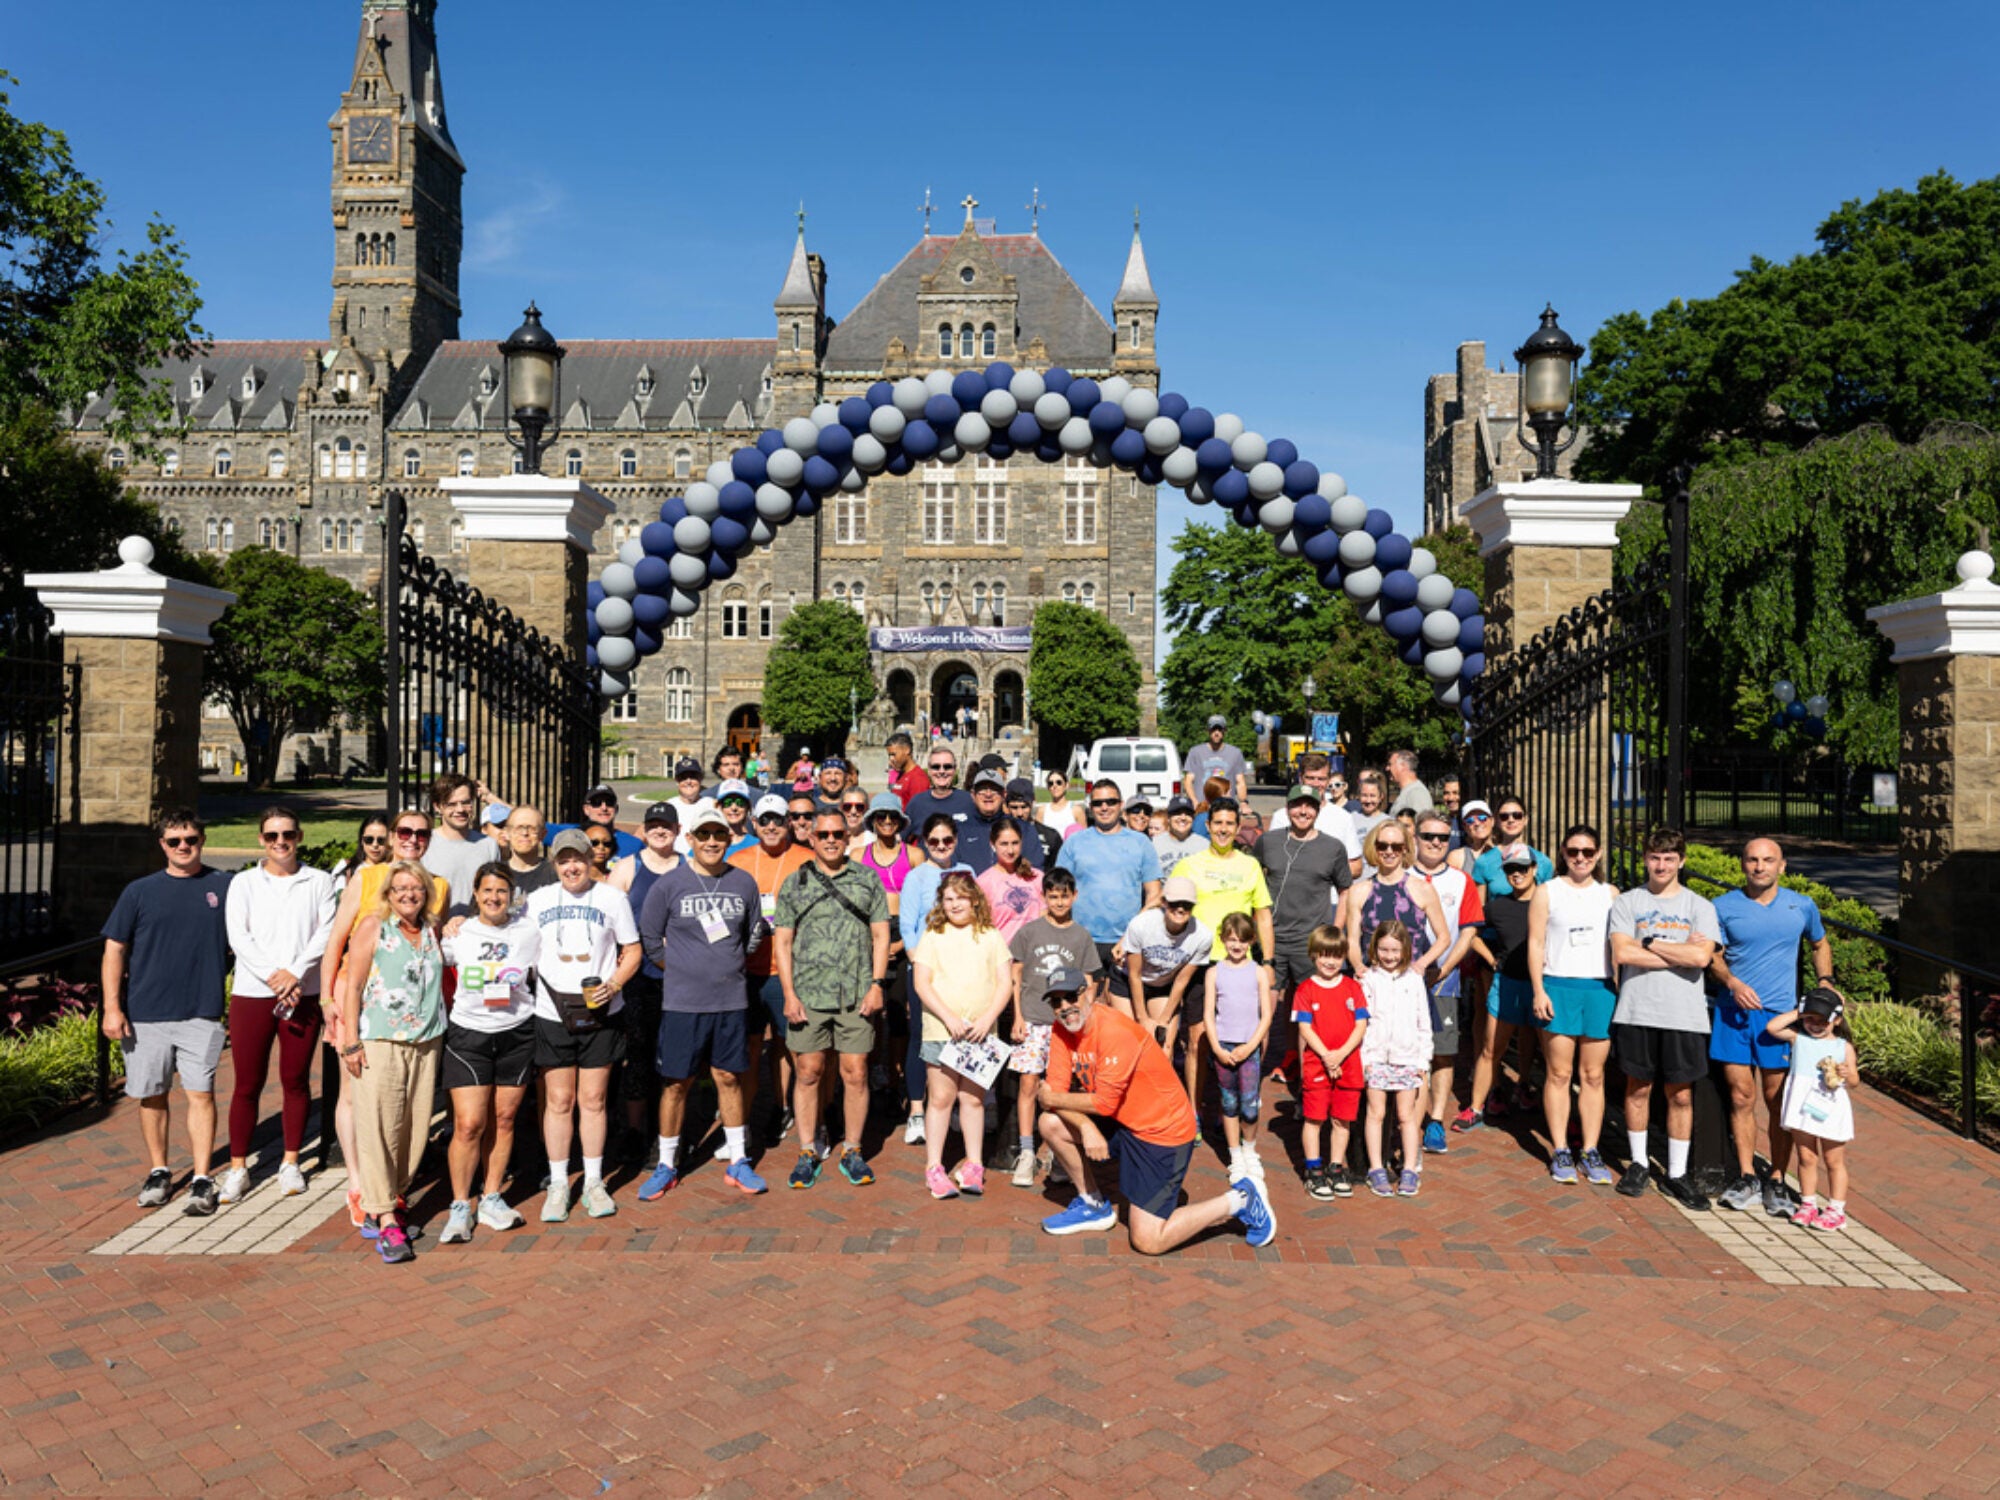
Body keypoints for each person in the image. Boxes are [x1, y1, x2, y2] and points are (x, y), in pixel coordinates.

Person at [1035, 969, 1277, 1251]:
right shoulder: (1061, 1030)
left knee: (1148, 1240)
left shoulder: (1114, 1030)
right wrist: (1085, 1126)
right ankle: (1092, 1204)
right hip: (1123, 1120)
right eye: (1056, 1002)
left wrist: (1053, 1099)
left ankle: (1242, 1200)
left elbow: (1097, 1102)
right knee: (1049, 1122)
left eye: (1069, 997)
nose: (1065, 1007)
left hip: (1164, 1132)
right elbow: (1058, 1097)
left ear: (1087, 993)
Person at [102, 809, 233, 1216]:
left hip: (201, 1011)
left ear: (202, 840)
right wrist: (111, 1007)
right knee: (152, 1095)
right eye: (174, 841)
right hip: (147, 1013)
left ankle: (201, 1177)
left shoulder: (223, 886)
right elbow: (114, 950)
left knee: (200, 1094)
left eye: (190, 839)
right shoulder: (139, 892)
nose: (183, 847)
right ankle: (159, 1171)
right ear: (162, 845)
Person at [320, 811, 448, 1226]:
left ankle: (388, 1190)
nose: (412, 838)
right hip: (370, 1019)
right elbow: (343, 955)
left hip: (419, 1028)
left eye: (421, 832)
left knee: (407, 1120)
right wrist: (332, 1007)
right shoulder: (370, 895)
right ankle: (368, 1195)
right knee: (366, 1109)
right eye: (405, 831)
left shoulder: (434, 908)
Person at [637, 803, 769, 1199]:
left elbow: (753, 935)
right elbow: (648, 939)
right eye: (704, 835)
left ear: (729, 838)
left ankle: (739, 1161)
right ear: (689, 839)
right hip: (682, 1002)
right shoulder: (669, 885)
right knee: (677, 1083)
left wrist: (723, 964)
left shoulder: (743, 883)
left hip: (730, 1000)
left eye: (719, 835)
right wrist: (680, 968)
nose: (712, 841)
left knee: (729, 1077)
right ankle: (666, 1164)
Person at [1708, 838, 1834, 1218]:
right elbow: (1712, 956)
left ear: (1782, 866)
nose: (1759, 866)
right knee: (1741, 1096)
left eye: (1767, 860)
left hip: (1779, 1019)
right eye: (1752, 860)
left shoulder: (1801, 905)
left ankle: (1777, 1177)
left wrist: (1825, 980)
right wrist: (1731, 982)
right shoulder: (1722, 906)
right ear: (1743, 864)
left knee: (1777, 1099)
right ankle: (1747, 1175)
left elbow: (1820, 942)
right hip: (1733, 1013)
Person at [218, 806, 337, 1204]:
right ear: (261, 840)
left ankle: (290, 1162)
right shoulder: (245, 883)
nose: (280, 842)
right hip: (254, 993)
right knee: (247, 1084)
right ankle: (238, 1168)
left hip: (301, 994)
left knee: (296, 1079)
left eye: (287, 834)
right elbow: (239, 936)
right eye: (272, 836)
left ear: (299, 836)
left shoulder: (318, 881)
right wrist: (274, 975)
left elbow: (326, 933)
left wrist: (296, 974)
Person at [527, 829, 642, 1222]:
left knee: (593, 1100)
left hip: (600, 1011)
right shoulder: (538, 900)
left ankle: (593, 1180)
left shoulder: (612, 897)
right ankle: (559, 1182)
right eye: (563, 860)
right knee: (559, 1101)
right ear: (554, 863)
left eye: (577, 859)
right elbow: (520, 945)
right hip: (551, 1009)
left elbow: (633, 950)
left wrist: (614, 985)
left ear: (591, 859)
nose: (571, 866)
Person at [774, 810, 890, 1190]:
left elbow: (880, 935)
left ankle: (852, 1149)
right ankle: (808, 1149)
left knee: (855, 1072)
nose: (830, 839)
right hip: (808, 992)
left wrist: (876, 984)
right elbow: (784, 942)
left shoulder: (866, 878)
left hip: (855, 992)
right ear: (811, 838)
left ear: (847, 836)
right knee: (808, 1071)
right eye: (823, 833)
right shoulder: (796, 882)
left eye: (838, 833)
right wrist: (789, 994)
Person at [336, 860, 445, 1263]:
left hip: (426, 1041)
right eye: (399, 888)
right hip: (380, 1039)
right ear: (388, 893)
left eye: (415, 888)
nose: (407, 895)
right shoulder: (373, 926)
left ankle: (391, 1199)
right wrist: (350, 1041)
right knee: (378, 1125)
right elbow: (353, 984)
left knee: (414, 1129)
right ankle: (383, 1218)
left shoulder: (431, 929)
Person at [1609, 827, 1722, 1209]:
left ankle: (1676, 1172)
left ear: (1681, 861)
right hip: (1638, 1008)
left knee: (1681, 1093)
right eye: (1655, 857)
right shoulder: (1627, 902)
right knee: (1637, 1088)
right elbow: (1622, 954)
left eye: (1669, 858)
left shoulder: (1699, 907)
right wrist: (1678, 952)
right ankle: (1639, 1163)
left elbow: (1702, 959)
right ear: (1645, 859)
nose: (1661, 865)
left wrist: (1648, 942)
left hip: (1684, 1015)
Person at [437, 862, 538, 1240]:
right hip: (470, 1036)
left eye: (502, 892)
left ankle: (492, 1195)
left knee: (505, 1118)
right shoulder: (460, 933)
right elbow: (427, 960)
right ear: (476, 895)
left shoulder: (529, 931)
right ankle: (461, 1205)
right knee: (468, 1124)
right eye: (488, 891)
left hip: (517, 1032)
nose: (495, 898)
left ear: (511, 897)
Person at [1528, 824, 1620, 1187]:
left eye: (1587, 852)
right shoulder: (1546, 891)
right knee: (1559, 1074)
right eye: (1572, 852)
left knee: (1594, 1075)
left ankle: (1591, 1148)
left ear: (1597, 854)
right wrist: (1539, 989)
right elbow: (1535, 943)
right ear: (1563, 854)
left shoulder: (1611, 893)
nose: (1580, 858)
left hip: (1599, 989)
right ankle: (1562, 1147)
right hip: (1558, 986)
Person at [910, 872, 1013, 1198]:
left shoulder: (990, 935)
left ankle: (973, 1164)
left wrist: (987, 1018)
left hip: (980, 1034)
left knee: (972, 1099)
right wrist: (949, 1017)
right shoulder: (933, 935)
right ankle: (934, 1167)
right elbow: (922, 983)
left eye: (960, 898)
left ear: (974, 900)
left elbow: (1004, 982)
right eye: (948, 898)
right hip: (942, 1031)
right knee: (940, 1099)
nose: (954, 904)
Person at [1170, 798, 1275, 1114]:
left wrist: (1268, 962)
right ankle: (1195, 1110)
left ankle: (1239, 1104)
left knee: (1245, 1035)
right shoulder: (1189, 865)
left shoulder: (1249, 865)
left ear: (1238, 826)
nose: (1224, 829)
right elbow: (1171, 909)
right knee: (1198, 1040)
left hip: (1240, 964)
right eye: (1218, 823)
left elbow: (1263, 916)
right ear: (1208, 825)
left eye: (1230, 823)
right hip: (1201, 963)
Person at [1005, 867, 1102, 1188]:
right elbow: (1016, 976)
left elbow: (1090, 982)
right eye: (1053, 896)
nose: (1059, 902)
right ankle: (1027, 1152)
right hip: (1033, 1019)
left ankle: (1060, 1153)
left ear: (1074, 897)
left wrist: (1083, 1020)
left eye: (1064, 896)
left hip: (1066, 1026)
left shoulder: (1080, 936)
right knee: (1028, 1086)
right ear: (1044, 897)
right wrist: (1017, 1016)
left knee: (1064, 1090)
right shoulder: (1030, 932)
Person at [1256, 783, 1354, 1095]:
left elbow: (1346, 889)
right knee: (1263, 1015)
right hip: (1270, 943)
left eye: (1309, 806)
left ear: (1318, 808)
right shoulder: (1268, 842)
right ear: (1287, 808)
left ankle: (1307, 1086)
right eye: (1297, 805)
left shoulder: (1332, 847)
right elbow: (1252, 880)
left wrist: (1335, 931)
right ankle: (1251, 1087)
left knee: (1308, 1020)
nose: (1303, 811)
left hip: (1309, 945)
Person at [729, 793, 813, 1143]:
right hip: (745, 971)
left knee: (790, 1048)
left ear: (789, 823)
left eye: (779, 820)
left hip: (788, 972)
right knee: (748, 1047)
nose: (772, 826)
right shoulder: (739, 859)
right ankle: (742, 1121)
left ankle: (786, 1110)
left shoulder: (806, 860)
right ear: (754, 823)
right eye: (765, 820)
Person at [607, 802, 683, 1164]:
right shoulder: (627, 868)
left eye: (665, 824)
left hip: (681, 979)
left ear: (677, 828)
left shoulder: (689, 866)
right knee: (637, 1055)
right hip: (638, 978)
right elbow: (607, 922)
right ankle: (635, 1130)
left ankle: (667, 1132)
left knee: (674, 1057)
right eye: (653, 824)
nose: (659, 830)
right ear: (644, 829)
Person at [1409, 811, 1482, 1155]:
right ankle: (1406, 1117)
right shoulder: (1401, 877)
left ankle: (1435, 1120)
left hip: (1444, 980)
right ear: (1416, 839)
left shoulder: (1461, 881)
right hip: (1403, 982)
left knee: (1443, 1053)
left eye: (1442, 838)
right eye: (1428, 836)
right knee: (1406, 1053)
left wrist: (1445, 969)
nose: (1436, 843)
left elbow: (1469, 930)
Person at [898, 813, 969, 1145]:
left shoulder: (966, 874)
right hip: (926, 973)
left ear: (955, 839)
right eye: (934, 841)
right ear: (925, 842)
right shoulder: (917, 877)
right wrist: (920, 968)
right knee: (921, 1038)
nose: (941, 846)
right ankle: (916, 1110)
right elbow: (908, 928)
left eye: (947, 840)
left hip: (960, 974)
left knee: (958, 1036)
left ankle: (954, 1105)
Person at [1459, 850, 1540, 1131]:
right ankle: (1475, 1107)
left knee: (1543, 1048)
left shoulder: (1549, 900)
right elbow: (1471, 933)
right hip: (1507, 982)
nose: (1516, 874)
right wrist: (1492, 959)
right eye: (1510, 870)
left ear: (1534, 868)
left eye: (1522, 868)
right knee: (1492, 1047)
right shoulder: (1498, 906)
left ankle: (1526, 1086)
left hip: (1541, 984)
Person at [1765, 986, 1858, 1231]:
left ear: (1836, 1020)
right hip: (1802, 1106)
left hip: (1830, 1107)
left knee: (1833, 1159)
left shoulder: (1843, 1047)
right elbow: (1772, 1027)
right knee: (1806, 1156)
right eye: (1810, 1019)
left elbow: (1855, 1081)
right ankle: (1808, 1203)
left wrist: (1847, 1074)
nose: (1815, 1025)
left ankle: (1836, 1209)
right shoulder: (1799, 1038)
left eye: (1822, 1020)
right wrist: (1799, 1012)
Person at [1057, 780, 1164, 973]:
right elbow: (1058, 892)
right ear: (1090, 808)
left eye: (1111, 801)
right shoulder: (1074, 843)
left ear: (1121, 805)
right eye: (1098, 803)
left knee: (1122, 1002)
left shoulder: (1141, 843)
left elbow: (1154, 896)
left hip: (1127, 942)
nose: (1104, 807)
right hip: (1082, 940)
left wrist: (1133, 937)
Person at [1293, 927, 1368, 1200]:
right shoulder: (1305, 989)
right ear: (1314, 955)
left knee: (1342, 1119)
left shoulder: (1352, 987)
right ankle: (1314, 1169)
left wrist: (1340, 1054)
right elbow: (1305, 1027)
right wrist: (1326, 1055)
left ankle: (1336, 1167)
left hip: (1348, 1064)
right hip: (1317, 1064)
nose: (1330, 962)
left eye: (1336, 956)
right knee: (1314, 1118)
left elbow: (1361, 1024)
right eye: (1325, 955)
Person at [1359, 920, 1431, 1199]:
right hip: (1376, 1057)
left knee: (1406, 1116)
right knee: (1375, 1113)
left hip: (1407, 1058)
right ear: (1375, 949)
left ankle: (1410, 1168)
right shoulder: (1369, 979)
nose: (1389, 956)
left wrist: (1422, 1061)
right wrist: (1365, 1057)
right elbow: (1364, 1021)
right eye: (1384, 949)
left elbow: (1422, 1022)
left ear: (1405, 950)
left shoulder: (1414, 980)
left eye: (1395, 950)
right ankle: (1376, 1167)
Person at [1204, 913, 1275, 1180]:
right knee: (1229, 1102)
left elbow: (1266, 1015)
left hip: (1249, 1047)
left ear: (1251, 941)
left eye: (1242, 940)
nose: (1236, 945)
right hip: (1223, 1045)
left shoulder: (1258, 972)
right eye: (1232, 940)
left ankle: (1250, 1150)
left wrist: (1250, 1046)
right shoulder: (1214, 973)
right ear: (1222, 939)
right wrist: (1217, 1048)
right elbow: (1209, 1014)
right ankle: (1235, 1155)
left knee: (1249, 1104)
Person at [1116, 876, 1213, 1052]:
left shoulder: (1203, 936)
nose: (1181, 909)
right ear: (1164, 902)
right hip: (1127, 980)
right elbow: (1134, 975)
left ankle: (1160, 1079)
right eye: (1175, 903)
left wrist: (1163, 1019)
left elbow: (1182, 980)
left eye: (1188, 905)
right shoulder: (1142, 924)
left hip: (1163, 984)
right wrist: (1143, 1019)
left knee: (1164, 1044)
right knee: (1128, 1040)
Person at [1347, 822, 1449, 981]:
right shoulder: (1359, 891)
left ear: (1405, 848)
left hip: (1411, 980)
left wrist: (1422, 964)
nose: (1389, 851)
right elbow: (1352, 940)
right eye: (1382, 845)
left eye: (1396, 846)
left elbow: (1444, 937)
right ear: (1374, 847)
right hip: (1373, 980)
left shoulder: (1423, 889)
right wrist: (1359, 966)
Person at [424, 772, 499, 909]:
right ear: (437, 807)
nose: (460, 810)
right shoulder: (425, 844)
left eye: (466, 803)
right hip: (437, 926)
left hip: (478, 927)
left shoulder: (489, 845)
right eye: (451, 804)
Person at [957, 768, 1043, 874]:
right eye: (982, 789)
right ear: (973, 795)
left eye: (994, 789)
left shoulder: (1024, 829)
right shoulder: (960, 830)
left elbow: (1035, 870)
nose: (988, 794)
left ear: (1004, 794)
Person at [975, 815, 1045, 943]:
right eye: (1004, 844)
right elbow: (982, 927)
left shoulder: (1037, 877)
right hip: (1002, 956)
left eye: (1015, 843)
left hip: (1035, 954)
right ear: (992, 844)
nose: (1010, 850)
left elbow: (1045, 917)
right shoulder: (984, 882)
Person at [1296, 752, 1363, 877]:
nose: (1315, 784)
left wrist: (1322, 872)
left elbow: (1356, 867)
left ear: (1328, 780)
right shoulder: (1282, 816)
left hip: (1329, 895)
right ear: (1301, 778)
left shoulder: (1342, 817)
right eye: (1310, 778)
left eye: (1321, 779)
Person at [1470, 798, 1553, 897]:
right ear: (1497, 821)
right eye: (1504, 816)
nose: (1511, 820)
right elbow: (1480, 906)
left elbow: (1548, 902)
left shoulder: (1543, 861)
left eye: (1517, 815)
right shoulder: (1484, 862)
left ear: (1525, 820)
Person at [551, 784, 641, 859]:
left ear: (616, 808)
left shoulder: (634, 844)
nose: (604, 808)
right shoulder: (571, 833)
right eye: (596, 803)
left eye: (609, 802)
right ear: (586, 809)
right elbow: (539, 827)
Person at [500, 805, 558, 908]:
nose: (525, 833)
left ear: (543, 834)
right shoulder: (496, 874)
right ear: (506, 833)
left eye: (532, 829)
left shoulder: (555, 874)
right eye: (518, 828)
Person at [1183, 714, 1250, 803]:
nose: (1216, 733)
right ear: (1208, 731)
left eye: (1220, 729)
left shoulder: (1235, 753)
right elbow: (1188, 781)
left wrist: (1243, 803)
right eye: (1213, 729)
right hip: (1203, 806)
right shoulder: (1196, 752)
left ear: (1225, 731)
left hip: (1226, 807)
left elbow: (1240, 782)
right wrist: (1194, 801)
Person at [912, 743, 978, 832]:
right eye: (936, 767)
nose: (942, 771)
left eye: (947, 767)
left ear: (955, 770)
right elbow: (900, 839)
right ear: (929, 770)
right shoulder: (917, 803)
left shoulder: (970, 801)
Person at [331, 813, 393, 900]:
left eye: (381, 840)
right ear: (361, 840)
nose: (375, 845)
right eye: (369, 840)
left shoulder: (394, 869)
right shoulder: (346, 867)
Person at [1006, 779, 1063, 866]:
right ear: (1006, 806)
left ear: (1033, 802)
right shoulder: (997, 834)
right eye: (1014, 807)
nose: (1020, 813)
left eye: (1024, 807)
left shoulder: (1051, 837)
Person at [1152, 794, 1206, 870]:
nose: (1183, 817)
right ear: (1168, 818)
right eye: (1177, 813)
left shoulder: (1204, 846)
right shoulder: (1154, 844)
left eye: (1188, 814)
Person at [886, 731, 931, 809]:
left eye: (893, 754)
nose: (891, 759)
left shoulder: (918, 778)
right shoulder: (901, 774)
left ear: (907, 750)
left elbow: (919, 810)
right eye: (889, 755)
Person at [1449, 799, 1496, 874]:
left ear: (1492, 821)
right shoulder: (1457, 858)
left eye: (1482, 818)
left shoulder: (1503, 854)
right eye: (1470, 820)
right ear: (1465, 827)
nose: (1477, 823)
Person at [1386, 750, 1433, 819]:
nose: (1387, 768)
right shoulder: (1409, 791)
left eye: (1390, 764)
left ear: (1403, 766)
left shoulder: (1417, 793)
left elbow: (1422, 825)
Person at [715, 779, 755, 854]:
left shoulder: (757, 845)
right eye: (728, 802)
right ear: (719, 807)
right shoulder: (708, 844)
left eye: (740, 802)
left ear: (747, 807)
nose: (734, 808)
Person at [1039, 769, 1080, 837]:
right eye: (1051, 783)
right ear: (1048, 787)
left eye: (1059, 782)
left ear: (1066, 785)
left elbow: (1084, 839)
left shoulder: (1076, 810)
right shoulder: (1042, 811)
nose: (1054, 786)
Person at [668, 758, 708, 823]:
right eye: (683, 777)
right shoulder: (668, 807)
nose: (688, 781)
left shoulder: (711, 804)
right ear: (677, 781)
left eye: (693, 777)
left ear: (700, 779)